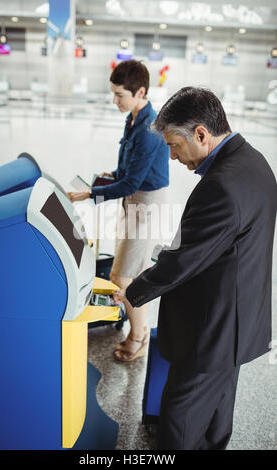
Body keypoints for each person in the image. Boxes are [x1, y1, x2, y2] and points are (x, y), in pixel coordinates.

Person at [114, 86, 277, 449]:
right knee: (217, 413)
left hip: (211, 329)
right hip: (236, 320)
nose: (172, 157)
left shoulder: (221, 186)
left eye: (174, 145)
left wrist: (134, 290)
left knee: (180, 419)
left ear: (201, 134)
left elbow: (186, 258)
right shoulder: (254, 162)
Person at [68, 60, 169, 361]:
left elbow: (131, 183)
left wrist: (90, 194)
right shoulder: (134, 118)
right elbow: (127, 171)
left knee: (123, 278)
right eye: (113, 94)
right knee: (129, 274)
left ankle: (138, 337)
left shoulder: (150, 128)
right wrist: (112, 174)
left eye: (120, 95)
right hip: (134, 199)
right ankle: (139, 332)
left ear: (140, 92)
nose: (115, 101)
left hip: (145, 204)